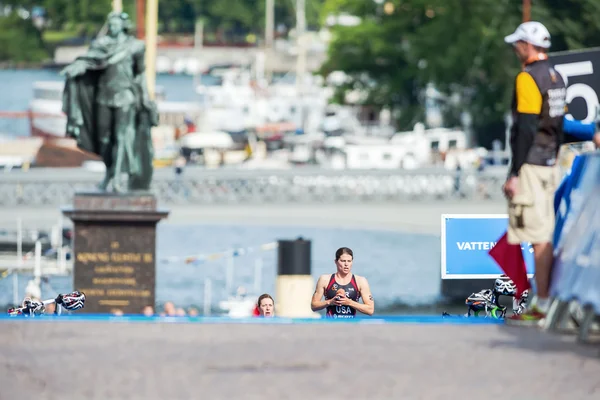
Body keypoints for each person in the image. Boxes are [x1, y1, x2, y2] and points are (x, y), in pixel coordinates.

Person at [502, 21, 566, 325]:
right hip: (549, 162)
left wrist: (515, 172)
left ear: (528, 45)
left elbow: (526, 126)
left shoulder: (528, 78)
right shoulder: (557, 77)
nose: (515, 49)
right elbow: (559, 127)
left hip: (531, 164)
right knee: (541, 233)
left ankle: (541, 304)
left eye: (518, 43)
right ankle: (541, 301)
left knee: (537, 235)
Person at [311, 247, 374, 318]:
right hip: (331, 325)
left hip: (351, 326)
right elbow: (313, 306)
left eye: (349, 261)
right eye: (343, 261)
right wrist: (330, 302)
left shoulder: (360, 281)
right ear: (336, 261)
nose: (346, 264)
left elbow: (370, 310)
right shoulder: (325, 279)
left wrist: (349, 302)